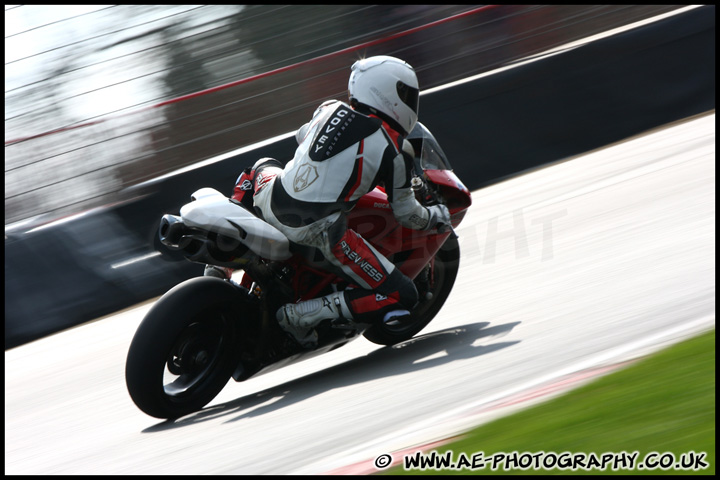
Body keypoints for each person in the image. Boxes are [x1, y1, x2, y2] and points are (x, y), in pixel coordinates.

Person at [207, 55, 450, 347]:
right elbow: (406, 213)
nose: (411, 102)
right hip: (318, 232)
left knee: (260, 165)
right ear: (389, 93)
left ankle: (218, 269)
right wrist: (436, 215)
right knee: (403, 295)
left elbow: (302, 137)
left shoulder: (328, 108)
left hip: (270, 198)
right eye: (407, 95)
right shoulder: (395, 150)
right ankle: (299, 316)